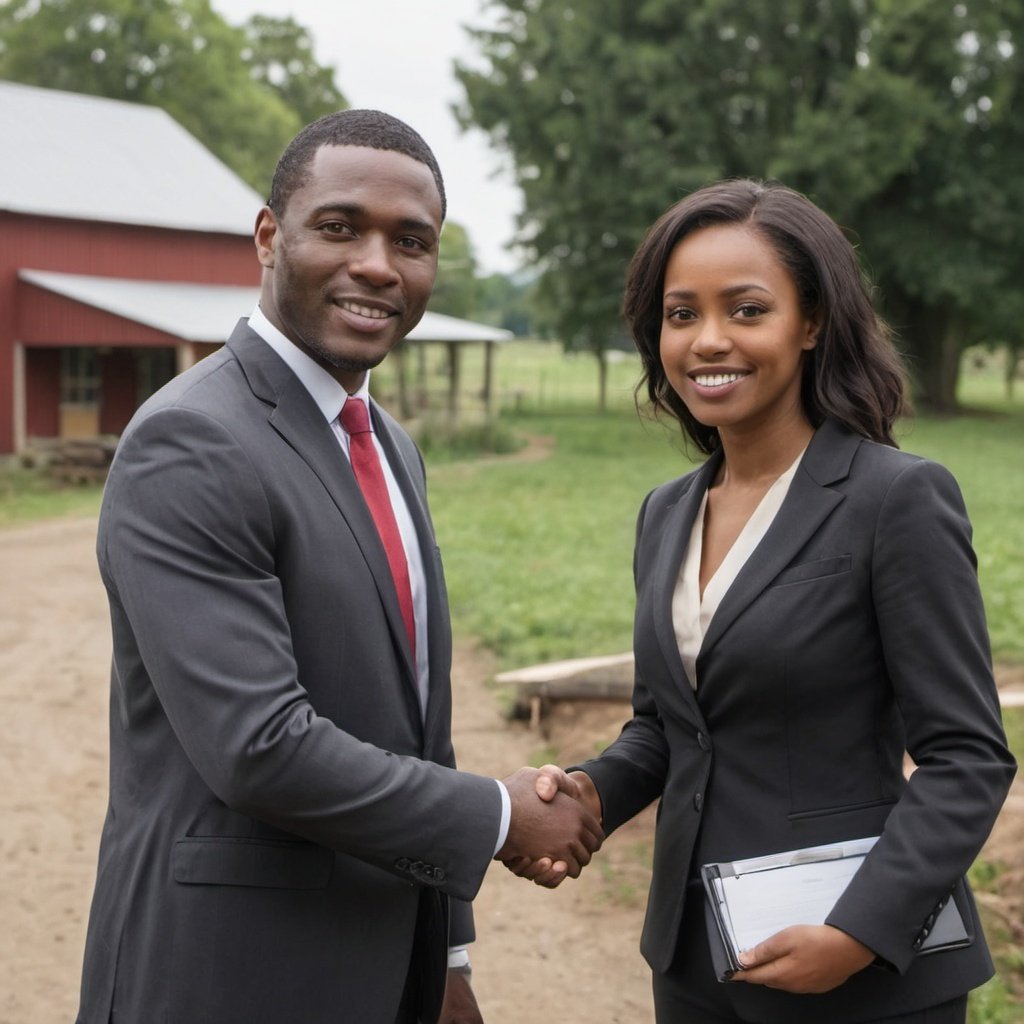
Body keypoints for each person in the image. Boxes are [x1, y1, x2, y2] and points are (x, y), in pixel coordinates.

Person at [75, 109, 602, 1024]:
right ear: (270, 238)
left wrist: (449, 953)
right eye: (340, 226)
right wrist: (505, 818)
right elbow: (259, 747)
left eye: (412, 241)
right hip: (228, 976)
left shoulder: (390, 446)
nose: (377, 265)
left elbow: (413, 720)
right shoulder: (192, 440)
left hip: (386, 963)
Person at [515, 179, 1016, 1023]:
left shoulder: (897, 499)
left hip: (858, 975)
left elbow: (968, 758)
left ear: (810, 322)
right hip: (694, 965)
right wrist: (593, 793)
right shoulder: (665, 512)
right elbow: (669, 725)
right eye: (682, 314)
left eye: (746, 310)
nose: (709, 340)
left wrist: (859, 931)